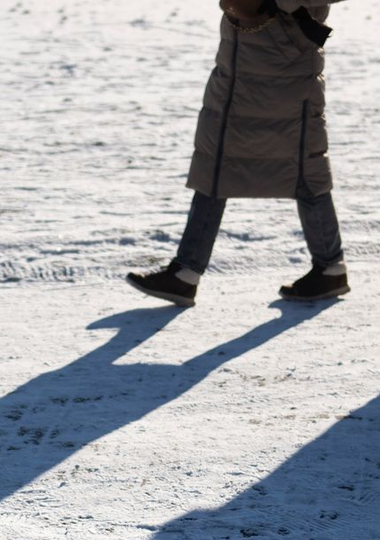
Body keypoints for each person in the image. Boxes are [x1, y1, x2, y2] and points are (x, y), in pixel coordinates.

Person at [127, 0, 348, 309]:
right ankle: (185, 273)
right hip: (236, 69)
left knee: (303, 167)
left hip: (285, 75)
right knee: (215, 164)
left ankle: (330, 267)